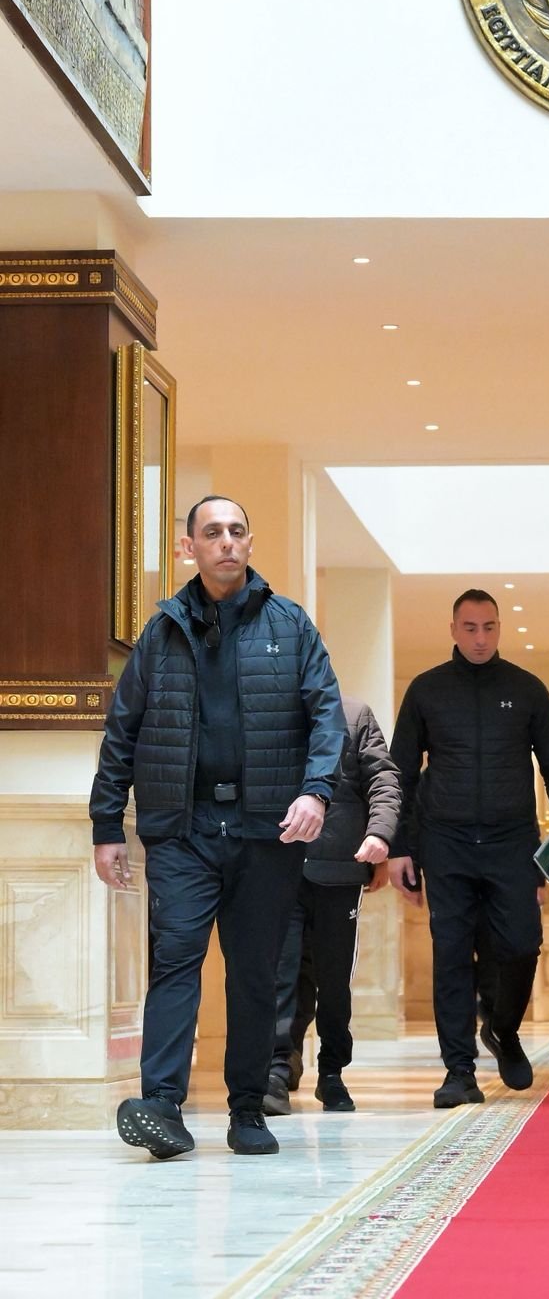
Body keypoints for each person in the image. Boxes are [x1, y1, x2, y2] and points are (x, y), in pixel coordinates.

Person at [90, 496, 345, 1159]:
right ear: (190, 548)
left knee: (255, 972)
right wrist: (107, 824)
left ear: (250, 542)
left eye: (236, 531)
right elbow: (123, 731)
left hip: (267, 831)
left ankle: (247, 1109)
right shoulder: (161, 633)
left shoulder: (291, 625)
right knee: (175, 959)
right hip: (184, 828)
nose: (227, 541)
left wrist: (316, 791)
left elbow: (327, 716)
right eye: (213, 532)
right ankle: (162, 1106)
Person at [389, 590, 549, 1107]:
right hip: (445, 841)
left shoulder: (526, 689)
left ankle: (502, 1027)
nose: (480, 638)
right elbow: (401, 773)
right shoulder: (427, 690)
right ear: (453, 629)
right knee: (451, 953)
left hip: (511, 841)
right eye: (470, 627)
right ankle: (459, 1071)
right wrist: (400, 846)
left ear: (500, 629)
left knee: (521, 943)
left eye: (489, 627)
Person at [265, 695, 400, 1115]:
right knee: (281, 974)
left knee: (334, 979)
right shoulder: (267, 707)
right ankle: (276, 1068)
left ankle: (332, 1072)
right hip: (278, 868)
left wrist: (380, 834)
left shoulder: (355, 715)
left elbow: (383, 780)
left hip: (340, 869)